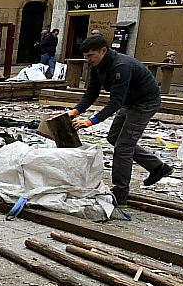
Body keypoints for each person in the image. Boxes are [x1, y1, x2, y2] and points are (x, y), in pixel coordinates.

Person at [67, 34, 173, 207]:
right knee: (114, 137)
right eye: (85, 56)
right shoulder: (97, 65)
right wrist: (76, 110)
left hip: (145, 103)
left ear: (103, 51)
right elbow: (92, 92)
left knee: (123, 147)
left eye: (90, 55)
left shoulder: (121, 66)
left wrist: (92, 121)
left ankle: (120, 193)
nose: (87, 60)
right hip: (130, 101)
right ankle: (158, 167)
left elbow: (116, 101)